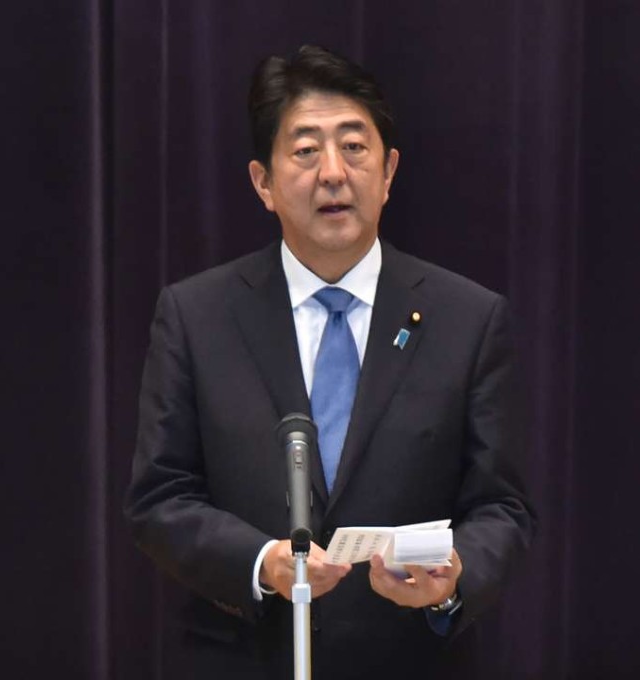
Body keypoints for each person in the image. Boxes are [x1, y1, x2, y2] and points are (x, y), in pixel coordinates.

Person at [125, 45, 535, 679]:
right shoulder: (196, 315)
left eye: (354, 146)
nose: (333, 173)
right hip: (242, 657)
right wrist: (263, 562)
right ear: (263, 182)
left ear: (389, 171)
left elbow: (503, 508)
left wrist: (452, 578)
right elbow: (160, 497)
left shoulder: (469, 319)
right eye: (306, 150)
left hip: (409, 659)